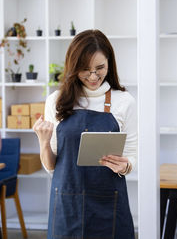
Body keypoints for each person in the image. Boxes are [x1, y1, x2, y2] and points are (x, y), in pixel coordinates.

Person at [33, 29, 137, 239]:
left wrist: (126, 166)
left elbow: (134, 153)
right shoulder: (56, 100)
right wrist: (43, 142)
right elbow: (51, 166)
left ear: (110, 63)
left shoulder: (124, 101)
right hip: (66, 206)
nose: (93, 76)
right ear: (73, 67)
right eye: (85, 69)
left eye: (100, 68)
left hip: (109, 206)